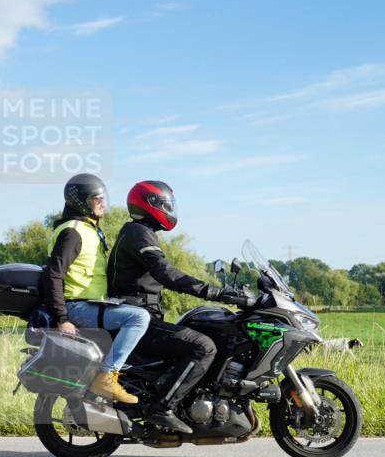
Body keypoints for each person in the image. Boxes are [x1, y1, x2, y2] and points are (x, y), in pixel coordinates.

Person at [108, 180, 240, 432]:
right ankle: (162, 407)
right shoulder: (138, 232)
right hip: (137, 319)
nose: (170, 210)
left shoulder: (138, 231)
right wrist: (212, 291)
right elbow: (165, 272)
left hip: (139, 316)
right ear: (151, 204)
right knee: (203, 347)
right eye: (167, 205)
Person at [40, 173, 151, 404]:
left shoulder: (88, 229)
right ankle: (107, 376)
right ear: (81, 202)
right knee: (139, 318)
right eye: (96, 198)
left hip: (90, 304)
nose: (102, 203)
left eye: (103, 197)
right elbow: (53, 274)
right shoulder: (73, 232)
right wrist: (62, 318)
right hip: (76, 307)